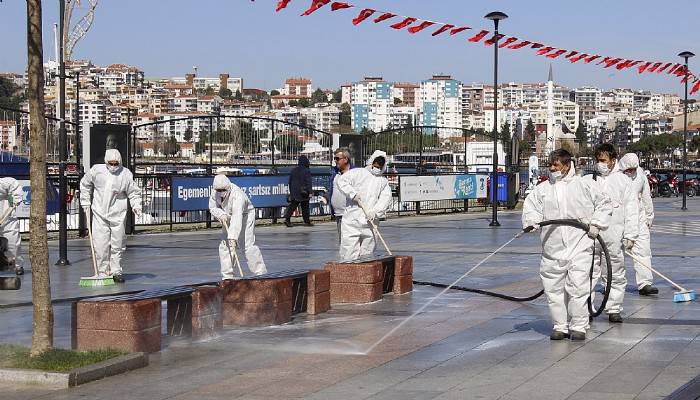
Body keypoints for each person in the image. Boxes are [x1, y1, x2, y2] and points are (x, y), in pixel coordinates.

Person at [523, 149, 612, 341]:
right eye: (550, 165)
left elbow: (604, 203)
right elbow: (532, 208)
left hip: (580, 245)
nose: (552, 168)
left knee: (578, 287)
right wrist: (531, 222)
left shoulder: (584, 185)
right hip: (552, 249)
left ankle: (578, 325)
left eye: (556, 165)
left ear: (567, 165)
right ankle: (560, 325)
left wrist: (596, 224)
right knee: (553, 289)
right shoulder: (543, 189)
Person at [586, 143, 639, 323]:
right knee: (588, 272)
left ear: (613, 161)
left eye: (603, 160)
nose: (599, 164)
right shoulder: (590, 180)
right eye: (597, 160)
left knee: (615, 272)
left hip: (614, 235)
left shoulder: (624, 181)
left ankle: (614, 307)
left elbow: (632, 210)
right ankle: (586, 307)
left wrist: (631, 235)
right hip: (591, 235)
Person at [80, 149, 142, 283]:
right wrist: (85, 201)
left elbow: (133, 192)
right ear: (106, 162)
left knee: (118, 243)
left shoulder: (125, 174)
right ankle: (102, 271)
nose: (113, 166)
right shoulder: (97, 171)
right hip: (99, 213)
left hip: (118, 214)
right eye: (111, 163)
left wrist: (136, 205)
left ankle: (116, 270)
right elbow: (85, 184)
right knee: (100, 243)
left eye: (116, 163)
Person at [335, 149, 392, 261]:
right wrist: (353, 194)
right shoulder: (358, 173)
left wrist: (376, 212)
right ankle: (347, 273)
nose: (377, 168)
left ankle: (365, 276)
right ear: (371, 162)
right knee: (349, 251)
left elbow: (385, 199)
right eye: (376, 165)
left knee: (367, 253)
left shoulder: (383, 181)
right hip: (352, 220)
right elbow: (342, 181)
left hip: (370, 223)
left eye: (380, 166)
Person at [209, 174, 267, 279]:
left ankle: (260, 273)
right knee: (225, 246)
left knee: (246, 245)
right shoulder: (215, 191)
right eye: (218, 190)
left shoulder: (237, 195)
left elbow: (237, 216)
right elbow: (212, 207)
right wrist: (220, 214)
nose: (220, 192)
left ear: (228, 187)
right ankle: (227, 276)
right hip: (226, 216)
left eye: (222, 190)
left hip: (245, 215)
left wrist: (233, 236)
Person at [618, 152, 658, 296]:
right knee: (614, 253)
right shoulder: (614, 177)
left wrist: (649, 216)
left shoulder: (640, 175)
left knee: (643, 251)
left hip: (639, 218)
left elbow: (646, 196)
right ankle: (610, 283)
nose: (631, 172)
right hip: (620, 219)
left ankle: (645, 283)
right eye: (628, 170)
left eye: (634, 169)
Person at [0, 177, 25, 275]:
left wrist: (17, 198)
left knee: (12, 242)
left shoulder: (2, 183)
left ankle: (17, 265)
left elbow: (12, 183)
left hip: (6, 216)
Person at [284, 155, 313, 227]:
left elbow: (290, 181)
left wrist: (291, 191)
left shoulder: (293, 170)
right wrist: (310, 192)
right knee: (305, 207)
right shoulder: (307, 170)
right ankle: (307, 221)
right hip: (304, 192)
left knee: (293, 206)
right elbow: (308, 182)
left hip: (294, 191)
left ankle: (287, 219)